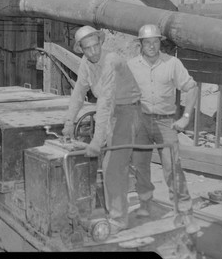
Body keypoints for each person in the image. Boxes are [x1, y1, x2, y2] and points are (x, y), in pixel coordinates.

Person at [61, 25, 141, 235]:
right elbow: (79, 92)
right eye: (88, 48)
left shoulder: (111, 61)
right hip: (111, 113)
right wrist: (69, 122)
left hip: (127, 112)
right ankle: (111, 206)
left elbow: (105, 102)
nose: (94, 51)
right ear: (82, 50)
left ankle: (118, 220)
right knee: (108, 164)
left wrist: (97, 140)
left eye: (96, 45)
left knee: (112, 166)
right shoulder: (87, 64)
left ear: (101, 42)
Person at [127, 24, 199, 234]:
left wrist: (186, 117)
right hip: (140, 121)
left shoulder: (172, 63)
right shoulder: (131, 65)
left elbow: (191, 87)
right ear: (140, 44)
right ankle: (145, 203)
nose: (152, 46)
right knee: (140, 166)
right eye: (147, 42)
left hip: (165, 122)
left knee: (172, 167)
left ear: (160, 42)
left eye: (155, 41)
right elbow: (121, 92)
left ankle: (185, 212)